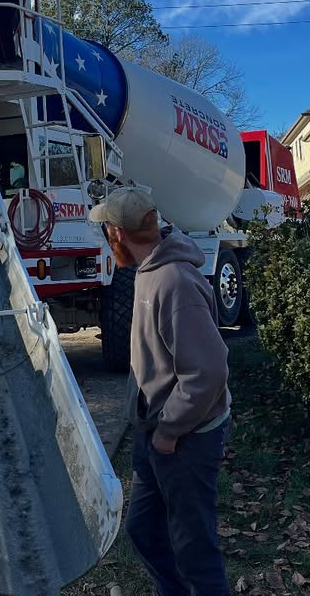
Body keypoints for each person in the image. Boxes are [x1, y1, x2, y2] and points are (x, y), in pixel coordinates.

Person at [88, 187, 231, 596]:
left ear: (117, 233)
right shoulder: (147, 267)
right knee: (144, 530)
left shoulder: (175, 281)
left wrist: (169, 432)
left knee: (194, 549)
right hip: (153, 431)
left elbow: (208, 371)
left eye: (105, 230)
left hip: (186, 439)